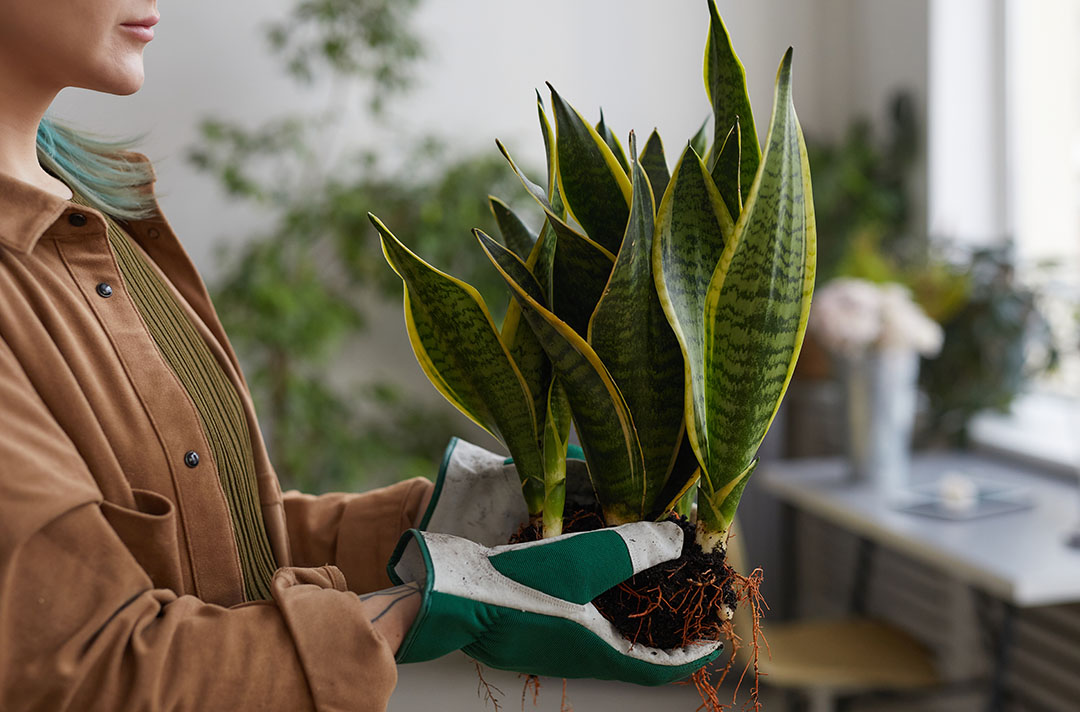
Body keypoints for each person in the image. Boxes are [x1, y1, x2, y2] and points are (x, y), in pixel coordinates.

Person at [0, 3, 720, 710]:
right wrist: (414, 609)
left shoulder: (95, 213)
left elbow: (214, 542)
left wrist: (453, 521)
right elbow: (88, 670)